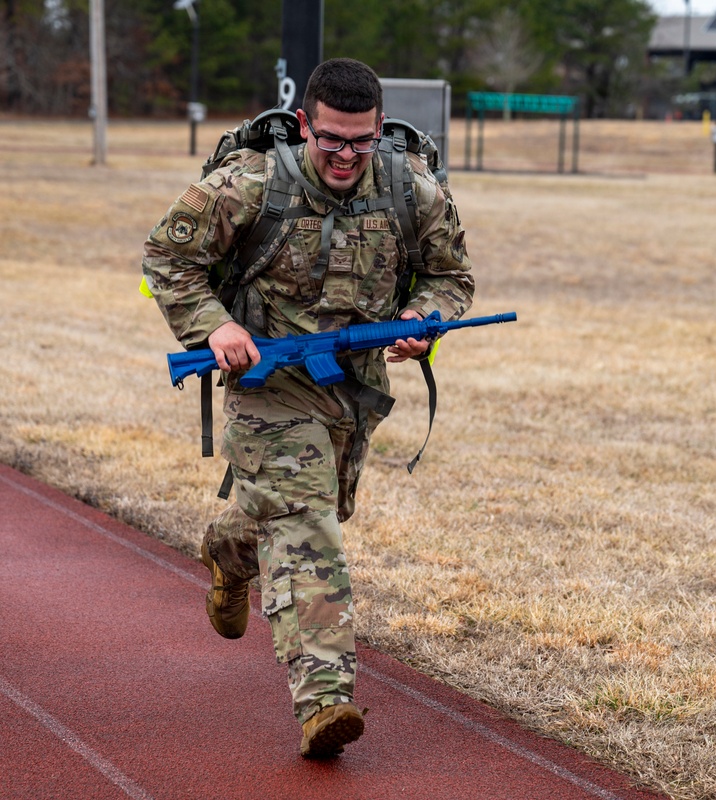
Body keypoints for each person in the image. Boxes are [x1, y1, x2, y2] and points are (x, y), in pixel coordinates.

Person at [141, 58, 474, 758]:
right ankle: (325, 701)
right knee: (308, 525)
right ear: (304, 126)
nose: (346, 156)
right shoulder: (250, 185)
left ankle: (230, 550)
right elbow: (167, 260)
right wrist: (216, 327)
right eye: (330, 140)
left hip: (352, 388)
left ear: (379, 129)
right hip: (268, 382)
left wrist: (423, 316)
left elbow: (453, 277)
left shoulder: (412, 193)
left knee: (308, 511)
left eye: (360, 141)